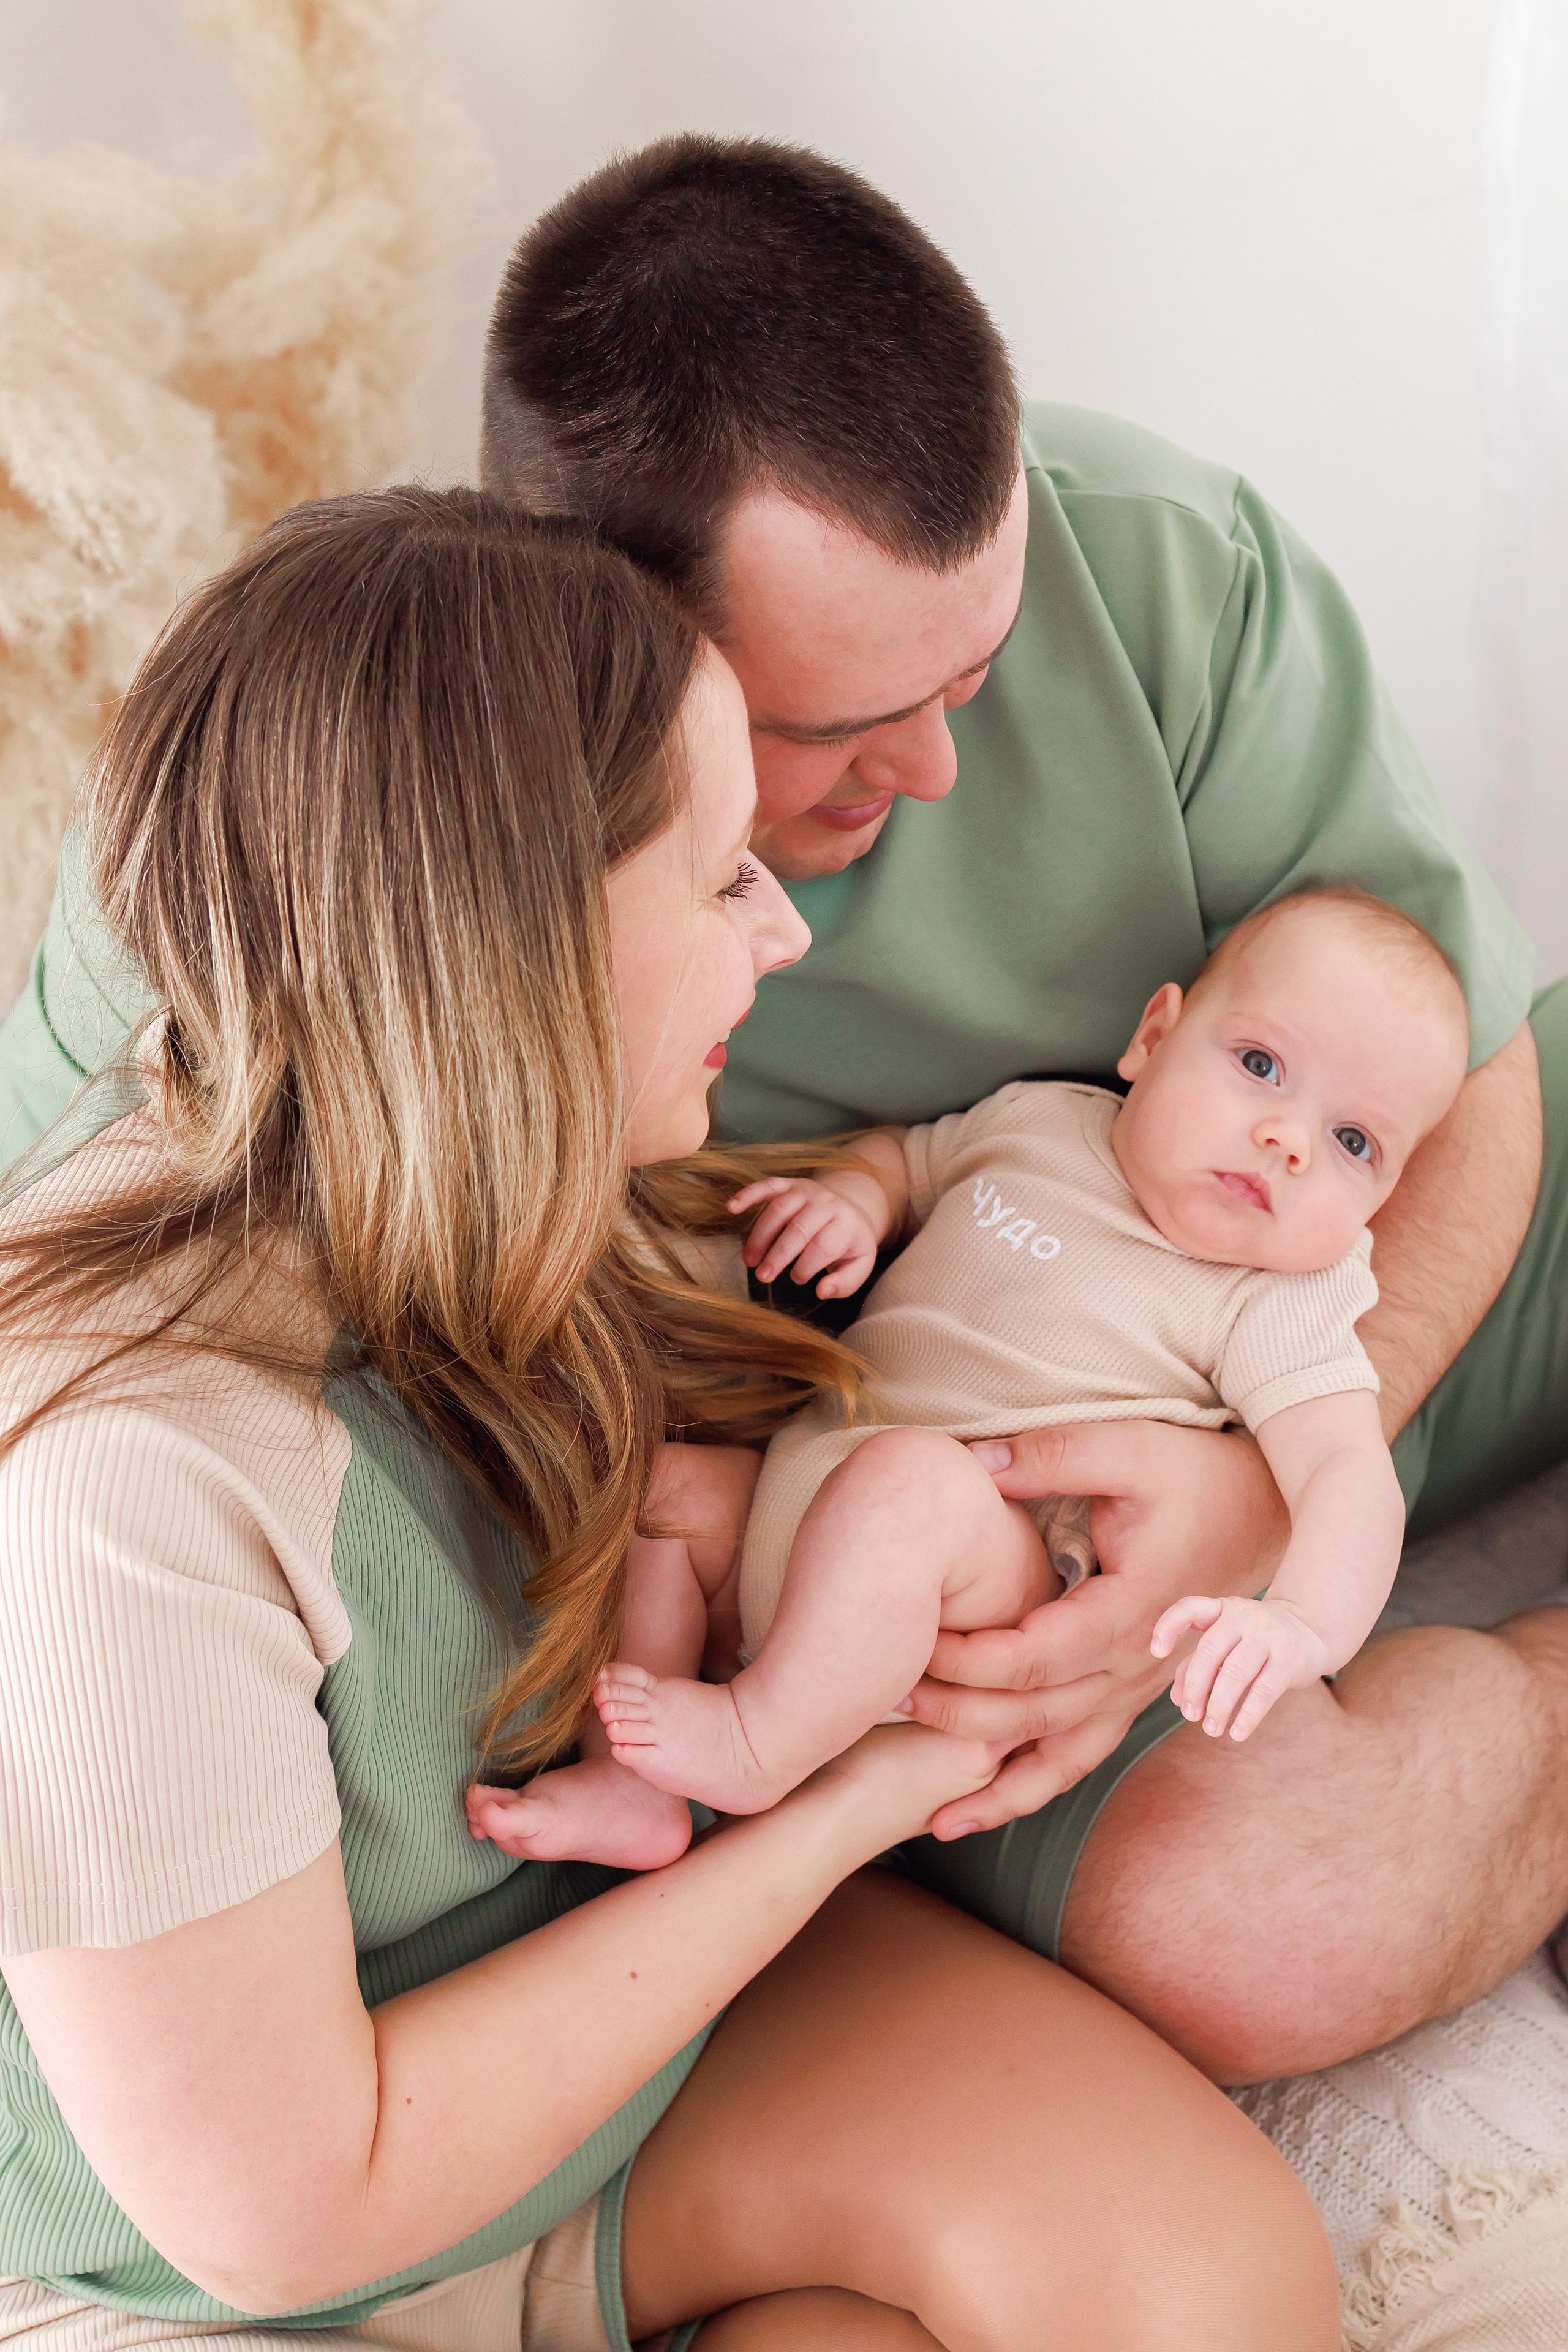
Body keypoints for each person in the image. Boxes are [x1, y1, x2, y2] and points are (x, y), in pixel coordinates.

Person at [4, 133, 1566, 2087]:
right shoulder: (306, 848)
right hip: (919, 1521)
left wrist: (1263, 1502)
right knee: (1261, 1923)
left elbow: (1473, 1072)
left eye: (979, 671)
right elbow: (88, 1332)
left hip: (1374, 1336)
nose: (930, 768)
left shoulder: (1163, 559)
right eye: (826, 733)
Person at [0, 487, 1338, 2351]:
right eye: (721, 875)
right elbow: (284, 2219)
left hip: (576, 1991)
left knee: (1207, 2304)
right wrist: (848, 1797)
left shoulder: (482, 1169)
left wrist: (1220, 1490)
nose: (784, 937)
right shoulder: (115, 1491)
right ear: (511, 947)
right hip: (262, 2220)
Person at [472, 888, 1463, 1868]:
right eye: (1260, 1066)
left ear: (1381, 1199)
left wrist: (1302, 1625)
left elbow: (1344, 1472)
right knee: (671, 1499)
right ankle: (633, 1786)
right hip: (803, 1495)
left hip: (979, 1579)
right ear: (1154, 1038)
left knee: (910, 1485)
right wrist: (857, 1204)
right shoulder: (1040, 1119)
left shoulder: (1273, 1298)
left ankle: (755, 1745)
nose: (1288, 1140)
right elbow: (906, 1161)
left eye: (1352, 1143)